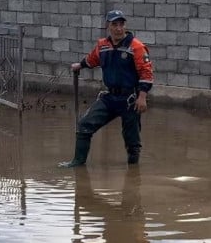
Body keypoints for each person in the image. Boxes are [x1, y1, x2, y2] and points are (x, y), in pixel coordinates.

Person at [58, 9, 154, 167]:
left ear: (125, 26)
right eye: (114, 24)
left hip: (130, 99)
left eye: (121, 24)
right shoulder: (103, 45)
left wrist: (142, 97)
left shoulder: (136, 47)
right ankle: (77, 162)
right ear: (108, 26)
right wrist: (80, 65)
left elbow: (146, 73)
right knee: (84, 125)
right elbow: (92, 59)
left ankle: (133, 173)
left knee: (132, 141)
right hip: (110, 98)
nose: (118, 28)